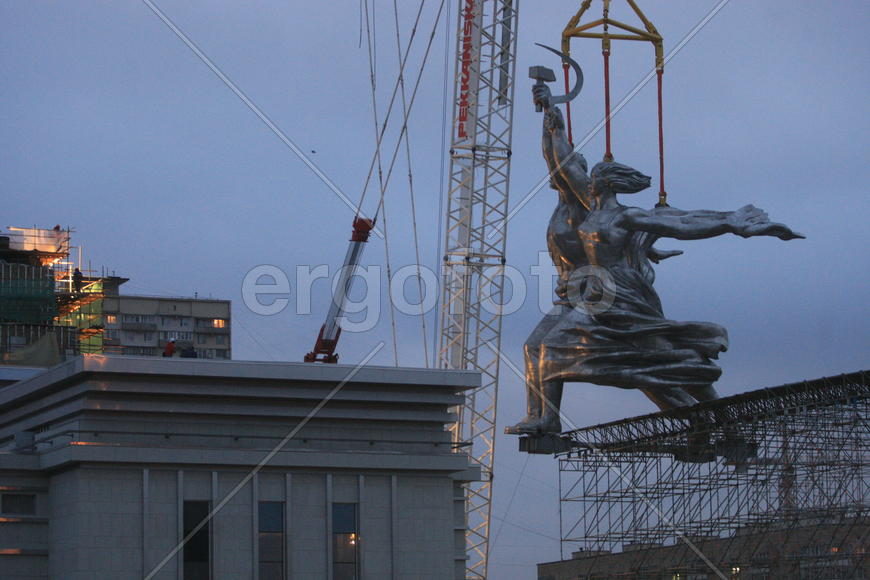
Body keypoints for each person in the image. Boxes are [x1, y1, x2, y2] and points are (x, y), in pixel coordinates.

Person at [508, 83, 803, 435]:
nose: (579, 178)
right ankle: (545, 419)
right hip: (587, 294)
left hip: (620, 295)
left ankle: (725, 427)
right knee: (546, 349)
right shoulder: (587, 209)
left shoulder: (615, 213)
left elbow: (679, 222)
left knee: (661, 364)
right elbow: (557, 161)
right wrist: (550, 120)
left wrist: (731, 222)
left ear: (598, 183)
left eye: (587, 175)